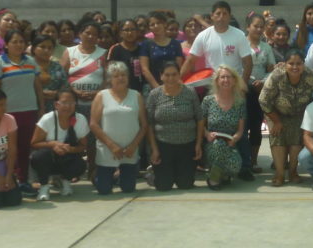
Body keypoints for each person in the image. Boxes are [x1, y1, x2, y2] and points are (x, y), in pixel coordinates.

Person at [0, 28, 44, 194]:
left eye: (21, 42)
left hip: (29, 111)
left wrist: (40, 108)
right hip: (7, 114)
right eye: (14, 42)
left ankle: (23, 181)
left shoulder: (31, 62)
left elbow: (38, 87)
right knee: (8, 148)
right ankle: (7, 180)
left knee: (25, 148)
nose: (18, 45)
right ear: (6, 44)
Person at [258, 50, 313, 186]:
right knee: (278, 138)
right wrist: (276, 121)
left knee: (296, 141)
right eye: (291, 63)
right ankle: (279, 173)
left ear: (303, 64)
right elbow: (263, 100)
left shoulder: (311, 75)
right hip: (275, 112)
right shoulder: (276, 76)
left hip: (300, 114)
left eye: (298, 64)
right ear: (284, 64)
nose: (295, 67)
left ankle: (293, 172)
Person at [89, 62, 148, 194]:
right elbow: (93, 124)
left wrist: (133, 146)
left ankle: (117, 176)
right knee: (104, 190)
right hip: (107, 149)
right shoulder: (101, 96)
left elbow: (144, 125)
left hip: (129, 150)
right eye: (116, 76)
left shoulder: (136, 95)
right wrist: (112, 146)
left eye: (123, 75)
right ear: (110, 79)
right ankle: (102, 175)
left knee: (128, 189)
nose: (120, 78)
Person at [145, 61, 203, 191]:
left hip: (187, 144)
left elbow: (199, 119)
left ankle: (179, 172)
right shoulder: (154, 95)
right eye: (167, 75)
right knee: (163, 186)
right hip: (163, 145)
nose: (171, 78)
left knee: (185, 185)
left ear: (179, 75)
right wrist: (154, 149)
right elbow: (149, 123)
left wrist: (198, 144)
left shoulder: (190, 92)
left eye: (174, 74)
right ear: (161, 76)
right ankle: (154, 172)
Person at [30, 88, 88, 200]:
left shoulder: (80, 119)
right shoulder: (47, 119)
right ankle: (44, 186)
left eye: (71, 103)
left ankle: (65, 180)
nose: (68, 106)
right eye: (64, 103)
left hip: (68, 156)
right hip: (49, 157)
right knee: (38, 156)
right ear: (56, 104)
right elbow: (34, 143)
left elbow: (83, 146)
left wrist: (69, 149)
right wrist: (53, 144)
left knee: (80, 165)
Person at [182, 1, 253, 83]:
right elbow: (190, 61)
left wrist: (243, 85)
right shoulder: (203, 35)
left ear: (230, 16)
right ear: (212, 16)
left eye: (225, 14)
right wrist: (178, 81)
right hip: (212, 84)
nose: (221, 17)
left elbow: (248, 63)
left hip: (234, 84)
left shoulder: (239, 35)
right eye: (218, 14)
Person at [201, 66, 246, 190]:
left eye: (229, 77)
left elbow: (240, 130)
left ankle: (222, 174)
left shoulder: (240, 102)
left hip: (230, 144)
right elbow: (200, 124)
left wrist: (235, 139)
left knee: (236, 166)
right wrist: (207, 134)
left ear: (234, 80)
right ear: (217, 80)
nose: (226, 80)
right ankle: (214, 179)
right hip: (212, 143)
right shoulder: (208, 100)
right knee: (218, 146)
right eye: (222, 77)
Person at [242, 14, 275, 173]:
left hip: (260, 91)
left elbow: (272, 70)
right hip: (242, 89)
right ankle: (242, 161)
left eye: (262, 26)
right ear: (248, 27)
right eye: (256, 26)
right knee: (242, 126)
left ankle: (253, 161)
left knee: (255, 126)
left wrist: (262, 82)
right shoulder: (240, 45)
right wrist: (248, 81)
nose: (259, 29)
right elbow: (236, 66)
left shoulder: (267, 47)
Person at [64, 22, 107, 120]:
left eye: (95, 34)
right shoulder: (69, 52)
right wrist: (75, 91)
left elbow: (107, 78)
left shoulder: (103, 53)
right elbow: (63, 76)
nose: (91, 36)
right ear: (80, 34)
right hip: (73, 103)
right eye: (87, 33)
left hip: (97, 102)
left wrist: (97, 92)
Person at [138, 12, 184, 92]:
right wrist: (157, 88)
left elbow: (178, 67)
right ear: (149, 28)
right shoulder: (146, 44)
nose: (156, 26)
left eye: (158, 23)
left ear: (165, 24)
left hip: (173, 86)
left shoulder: (175, 44)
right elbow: (145, 69)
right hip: (152, 88)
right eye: (152, 24)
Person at [31, 33, 67, 111]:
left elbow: (65, 86)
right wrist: (40, 93)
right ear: (34, 48)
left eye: (50, 48)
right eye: (42, 47)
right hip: (33, 107)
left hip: (56, 108)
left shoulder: (58, 66)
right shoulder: (28, 67)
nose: (46, 50)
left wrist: (57, 94)